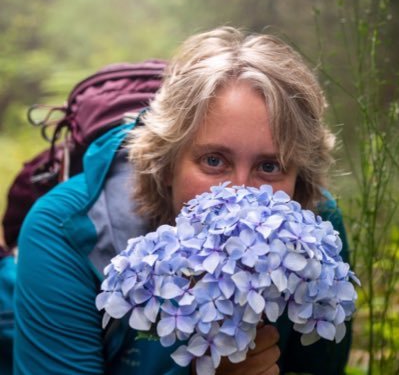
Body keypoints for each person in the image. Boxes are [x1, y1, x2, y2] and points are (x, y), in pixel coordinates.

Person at [14, 27, 351, 374]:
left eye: (269, 166)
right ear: (167, 163)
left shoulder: (311, 233)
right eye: (214, 161)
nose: (239, 195)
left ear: (300, 178)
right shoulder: (62, 231)